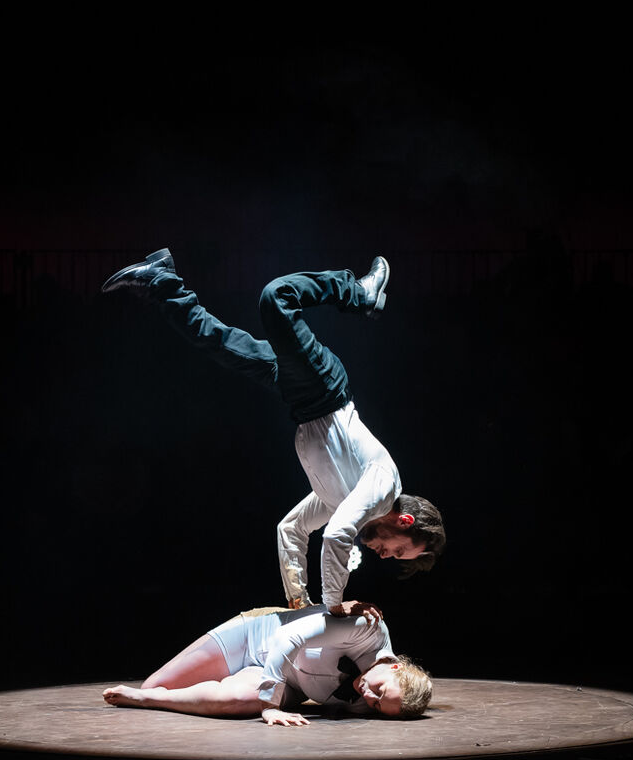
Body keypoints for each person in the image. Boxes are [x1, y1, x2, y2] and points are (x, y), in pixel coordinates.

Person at [101, 249, 445, 615]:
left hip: (300, 399)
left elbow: (292, 528)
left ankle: (161, 280)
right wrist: (334, 607)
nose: (386, 555)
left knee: (218, 343)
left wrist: (299, 603)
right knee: (277, 298)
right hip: (324, 388)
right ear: (404, 520)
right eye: (399, 549)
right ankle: (360, 291)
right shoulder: (383, 487)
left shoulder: (342, 502)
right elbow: (336, 534)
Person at [102, 603, 433, 724]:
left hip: (288, 681)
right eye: (378, 690)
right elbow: (288, 639)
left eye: (376, 706)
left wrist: (271, 699)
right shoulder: (366, 627)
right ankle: (151, 692)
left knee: (234, 700)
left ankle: (146, 699)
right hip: (259, 635)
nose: (367, 697)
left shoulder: (367, 703)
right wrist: (269, 706)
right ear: (394, 667)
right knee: (156, 679)